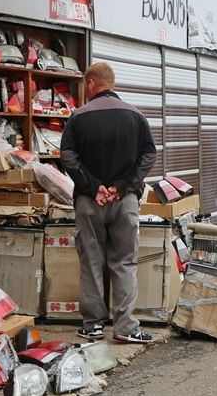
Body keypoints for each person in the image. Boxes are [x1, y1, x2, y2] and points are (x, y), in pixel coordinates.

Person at [60, 62, 157, 344]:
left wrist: (93, 187)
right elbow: (148, 155)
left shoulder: (78, 116)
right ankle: (126, 327)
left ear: (91, 83)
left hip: (90, 202)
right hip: (125, 201)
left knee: (91, 260)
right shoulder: (135, 115)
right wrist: (123, 186)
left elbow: (68, 155)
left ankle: (93, 325)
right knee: (124, 262)